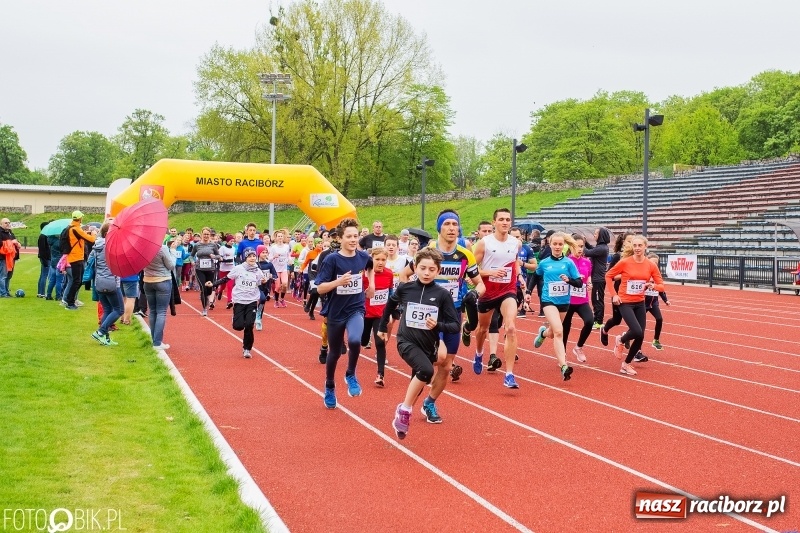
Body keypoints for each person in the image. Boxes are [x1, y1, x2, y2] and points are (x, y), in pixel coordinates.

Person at [378, 248, 460, 440]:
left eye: (431, 269)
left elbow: (455, 325)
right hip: (405, 340)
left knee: (420, 376)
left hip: (428, 344)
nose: (426, 273)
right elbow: (390, 304)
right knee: (426, 371)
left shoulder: (442, 295)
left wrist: (437, 325)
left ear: (438, 271)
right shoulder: (405, 288)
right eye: (422, 268)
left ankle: (404, 416)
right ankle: (404, 410)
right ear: (415, 267)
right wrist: (382, 326)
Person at [316, 218, 373, 409]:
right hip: (335, 312)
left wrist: (370, 285)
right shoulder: (332, 259)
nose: (353, 240)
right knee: (334, 353)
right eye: (348, 236)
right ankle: (330, 385)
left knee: (356, 340)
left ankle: (350, 374)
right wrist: (337, 283)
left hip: (356, 308)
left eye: (355, 236)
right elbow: (320, 288)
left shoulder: (363, 256)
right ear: (339, 238)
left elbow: (370, 266)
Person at [470, 208, 523, 388]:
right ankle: (478, 353)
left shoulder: (516, 243)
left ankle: (509, 374)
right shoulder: (484, 243)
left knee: (511, 328)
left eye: (508, 219)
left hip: (508, 290)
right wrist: (491, 272)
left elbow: (514, 261)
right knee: (482, 330)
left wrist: (518, 273)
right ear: (494, 222)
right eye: (501, 219)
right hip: (488, 291)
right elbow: (472, 270)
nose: (505, 222)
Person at [604, 235, 665, 376]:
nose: (637, 248)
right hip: (625, 302)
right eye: (635, 245)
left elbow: (661, 286)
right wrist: (614, 295)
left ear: (645, 247)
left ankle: (626, 364)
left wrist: (653, 285)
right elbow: (608, 276)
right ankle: (621, 339)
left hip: (640, 302)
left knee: (640, 335)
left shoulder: (651, 265)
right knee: (637, 331)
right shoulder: (625, 262)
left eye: (640, 245)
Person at [532, 232, 583, 380]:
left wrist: (569, 281)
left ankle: (543, 334)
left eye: (560, 244)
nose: (557, 247)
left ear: (564, 245)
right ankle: (564, 365)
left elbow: (579, 283)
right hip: (548, 300)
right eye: (555, 244)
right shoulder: (544, 263)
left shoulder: (568, 263)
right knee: (559, 331)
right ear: (550, 244)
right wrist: (528, 291)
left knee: (553, 333)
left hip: (564, 302)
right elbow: (536, 275)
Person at [208, 247, 268, 358]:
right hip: (239, 300)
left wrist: (264, 282)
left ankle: (247, 349)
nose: (252, 258)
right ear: (245, 258)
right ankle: (236, 318)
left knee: (249, 325)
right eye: (249, 256)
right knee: (238, 326)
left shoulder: (258, 271)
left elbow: (261, 284)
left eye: (254, 256)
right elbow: (226, 278)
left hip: (252, 300)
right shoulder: (238, 268)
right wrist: (213, 284)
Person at [361, 247, 393, 386]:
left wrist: (391, 311)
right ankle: (365, 340)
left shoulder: (389, 274)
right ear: (371, 259)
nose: (380, 262)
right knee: (362, 341)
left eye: (383, 260)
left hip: (380, 314)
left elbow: (390, 292)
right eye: (377, 259)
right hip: (365, 314)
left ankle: (380, 375)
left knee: (380, 342)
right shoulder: (365, 275)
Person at [87, 223, 123, 346]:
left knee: (108, 309)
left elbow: (90, 260)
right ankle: (101, 332)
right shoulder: (112, 246)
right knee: (119, 310)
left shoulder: (97, 245)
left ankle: (105, 338)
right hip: (112, 282)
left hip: (99, 281)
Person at [561, 235, 594, 363]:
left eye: (582, 246)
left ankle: (578, 347)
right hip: (568, 300)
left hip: (582, 299)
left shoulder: (587, 261)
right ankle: (562, 353)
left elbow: (588, 276)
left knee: (590, 321)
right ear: (570, 246)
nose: (580, 249)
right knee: (566, 327)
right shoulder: (566, 261)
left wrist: (590, 283)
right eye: (576, 246)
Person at [143, 239, 176, 350]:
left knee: (152, 311)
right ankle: (157, 342)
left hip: (148, 280)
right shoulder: (162, 248)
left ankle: (155, 340)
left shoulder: (142, 249)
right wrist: (173, 252)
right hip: (163, 280)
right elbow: (171, 265)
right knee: (161, 311)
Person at [63, 211, 96, 310]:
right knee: (77, 281)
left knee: (79, 280)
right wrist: (94, 234)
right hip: (76, 257)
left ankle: (70, 300)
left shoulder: (71, 228)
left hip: (76, 257)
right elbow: (91, 239)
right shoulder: (76, 229)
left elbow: (82, 235)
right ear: (80, 218)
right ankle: (70, 302)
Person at [584, 227, 612, 328]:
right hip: (598, 277)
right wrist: (585, 242)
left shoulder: (602, 248)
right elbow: (592, 249)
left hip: (598, 278)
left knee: (597, 300)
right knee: (596, 299)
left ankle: (598, 321)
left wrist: (579, 244)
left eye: (596, 233)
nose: (594, 235)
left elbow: (587, 252)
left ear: (600, 235)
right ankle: (597, 319)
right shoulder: (601, 247)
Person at [191, 227, 220, 316]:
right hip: (199, 269)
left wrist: (214, 257)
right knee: (203, 289)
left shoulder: (213, 245)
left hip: (210, 269)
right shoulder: (197, 245)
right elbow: (191, 255)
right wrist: (192, 261)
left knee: (209, 290)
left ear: (210, 235)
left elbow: (219, 256)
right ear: (202, 234)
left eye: (208, 234)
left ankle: (208, 297)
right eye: (204, 234)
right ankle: (204, 308)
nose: (206, 236)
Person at [645, 252, 671, 351]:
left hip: (653, 303)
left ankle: (656, 340)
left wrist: (666, 300)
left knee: (659, 319)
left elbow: (661, 288)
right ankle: (627, 336)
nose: (654, 265)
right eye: (652, 262)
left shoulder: (657, 274)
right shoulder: (643, 272)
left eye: (656, 263)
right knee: (639, 325)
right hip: (642, 303)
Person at [254, 246, 277, 330]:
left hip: (266, 286)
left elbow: (275, 275)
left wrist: (272, 276)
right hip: (256, 286)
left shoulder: (269, 264)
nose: (264, 254)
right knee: (262, 299)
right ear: (258, 253)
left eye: (266, 252)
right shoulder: (255, 264)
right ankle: (256, 317)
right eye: (263, 252)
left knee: (263, 302)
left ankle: (259, 318)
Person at [269, 229, 291, 307]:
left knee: (285, 284)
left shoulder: (286, 246)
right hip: (276, 269)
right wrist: (274, 256)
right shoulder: (273, 247)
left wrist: (289, 260)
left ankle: (282, 299)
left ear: (283, 237)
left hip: (284, 268)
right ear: (276, 238)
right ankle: (276, 301)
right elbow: (269, 258)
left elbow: (288, 255)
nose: (280, 238)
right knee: (278, 286)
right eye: (279, 236)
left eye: (281, 236)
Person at [37, 221, 52, 298]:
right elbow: (42, 249)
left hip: (45, 257)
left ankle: (40, 292)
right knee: (44, 275)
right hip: (45, 258)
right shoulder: (43, 236)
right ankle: (42, 292)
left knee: (42, 275)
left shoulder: (43, 236)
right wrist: (45, 260)